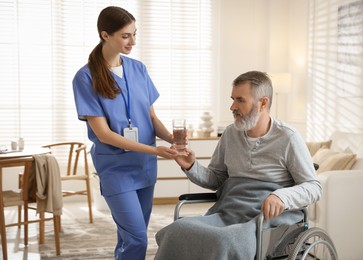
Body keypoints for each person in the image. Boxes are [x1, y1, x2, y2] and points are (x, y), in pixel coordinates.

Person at [155, 71, 322, 260]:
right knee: (177, 230)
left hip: (267, 219)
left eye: (240, 100)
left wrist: (281, 196)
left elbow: (314, 187)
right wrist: (191, 165)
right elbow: (217, 179)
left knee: (222, 240)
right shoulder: (230, 133)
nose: (232, 106)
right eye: (233, 99)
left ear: (263, 103)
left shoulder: (288, 138)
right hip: (228, 211)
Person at [72, 6, 178, 260]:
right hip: (116, 169)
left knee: (130, 237)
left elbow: (151, 117)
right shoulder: (85, 78)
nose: (133, 41)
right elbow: (104, 134)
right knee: (137, 238)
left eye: (134, 34)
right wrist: (156, 150)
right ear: (105, 35)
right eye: (125, 36)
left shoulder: (138, 69)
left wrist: (174, 140)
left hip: (144, 167)